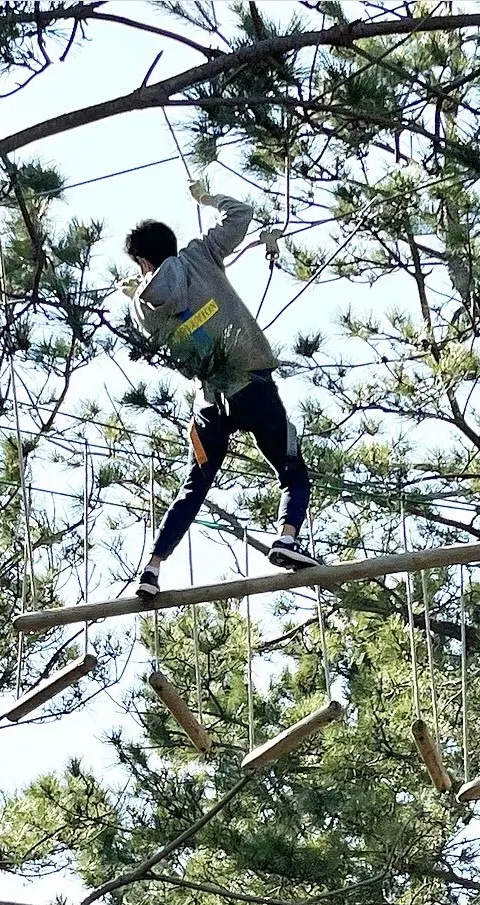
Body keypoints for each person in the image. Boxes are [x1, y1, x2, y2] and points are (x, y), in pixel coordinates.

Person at [123, 181, 318, 599]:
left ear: (142, 260)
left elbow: (159, 330)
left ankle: (152, 568)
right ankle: (286, 538)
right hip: (253, 387)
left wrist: (137, 290)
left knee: (194, 487)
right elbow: (242, 214)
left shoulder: (141, 306)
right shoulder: (199, 255)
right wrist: (208, 200)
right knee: (292, 471)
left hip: (209, 404)